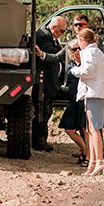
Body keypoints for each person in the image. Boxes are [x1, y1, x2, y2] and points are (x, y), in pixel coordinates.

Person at [69, 27, 104, 176]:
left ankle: (99, 161)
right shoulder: (94, 51)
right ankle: (93, 161)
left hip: (95, 93)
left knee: (94, 129)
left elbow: (88, 71)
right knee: (91, 129)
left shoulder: (90, 52)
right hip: (93, 93)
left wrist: (74, 70)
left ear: (82, 40)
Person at [32, 15, 69, 152]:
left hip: (50, 82)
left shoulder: (49, 36)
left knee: (45, 110)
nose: (62, 34)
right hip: (44, 82)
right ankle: (39, 140)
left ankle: (40, 138)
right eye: (62, 31)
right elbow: (53, 54)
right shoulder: (42, 36)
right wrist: (68, 48)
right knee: (42, 111)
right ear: (54, 28)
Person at [58, 15, 90, 166]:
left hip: (84, 100)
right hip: (73, 100)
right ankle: (85, 150)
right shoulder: (71, 64)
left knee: (86, 130)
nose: (77, 51)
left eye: (79, 48)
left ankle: (88, 155)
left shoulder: (87, 61)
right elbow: (55, 58)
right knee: (68, 128)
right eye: (74, 49)